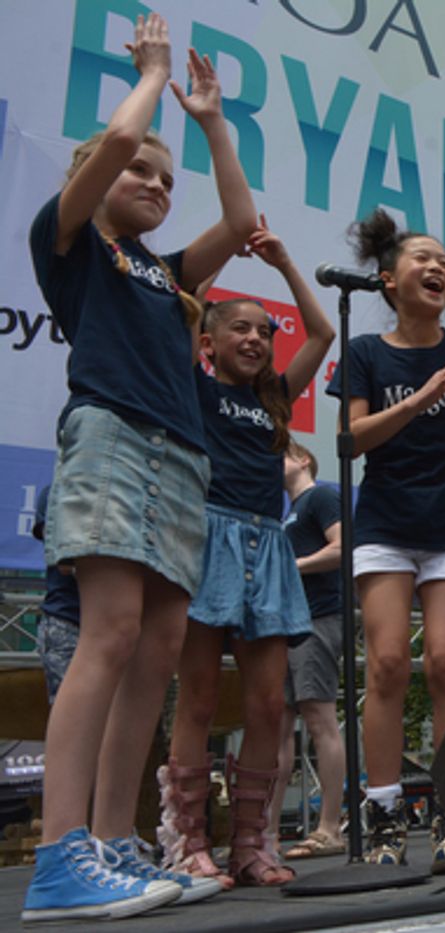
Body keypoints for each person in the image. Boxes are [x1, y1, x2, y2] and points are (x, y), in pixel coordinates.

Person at [23, 12, 256, 920]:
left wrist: (211, 124)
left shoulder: (169, 275)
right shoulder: (71, 240)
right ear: (91, 178)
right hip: (112, 436)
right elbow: (118, 133)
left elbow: (240, 219)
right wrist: (154, 75)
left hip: (181, 456)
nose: (154, 183)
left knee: (157, 650)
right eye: (138, 172)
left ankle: (117, 842)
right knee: (109, 633)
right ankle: (58, 855)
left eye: (166, 179)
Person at [328, 208, 445, 872]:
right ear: (388, 279)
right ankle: (382, 810)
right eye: (421, 258)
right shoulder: (366, 352)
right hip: (385, 525)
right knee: (387, 665)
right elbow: (352, 440)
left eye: (443, 261)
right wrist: (421, 395)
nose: (437, 267)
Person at [162, 217, 334, 888]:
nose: (258, 338)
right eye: (242, 328)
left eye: (265, 331)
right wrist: (215, 265)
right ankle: (186, 842)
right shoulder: (193, 388)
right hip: (209, 538)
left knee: (267, 704)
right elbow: (178, 308)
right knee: (199, 696)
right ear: (208, 342)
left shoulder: (275, 402)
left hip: (268, 542)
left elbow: (321, 334)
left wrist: (287, 262)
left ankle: (252, 843)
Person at [268, 441, 346, 859]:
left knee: (320, 719)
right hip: (288, 624)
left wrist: (292, 566)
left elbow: (341, 547)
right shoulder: (288, 515)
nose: (273, 461)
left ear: (303, 460)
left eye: (281, 454)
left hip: (318, 619)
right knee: (278, 726)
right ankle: (267, 832)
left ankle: (330, 826)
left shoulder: (321, 496)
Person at [32, 485, 80, 705]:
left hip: (121, 630)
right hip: (68, 624)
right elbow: (63, 560)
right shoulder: (58, 490)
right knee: (76, 721)